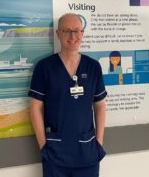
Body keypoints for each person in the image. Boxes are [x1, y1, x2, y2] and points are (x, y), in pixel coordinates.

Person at [29, 13, 107, 177]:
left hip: (87, 153)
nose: (73, 36)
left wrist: (98, 143)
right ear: (58, 34)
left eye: (77, 31)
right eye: (67, 31)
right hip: (55, 154)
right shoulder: (45, 67)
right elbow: (35, 107)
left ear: (82, 34)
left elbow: (100, 104)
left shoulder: (93, 67)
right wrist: (44, 146)